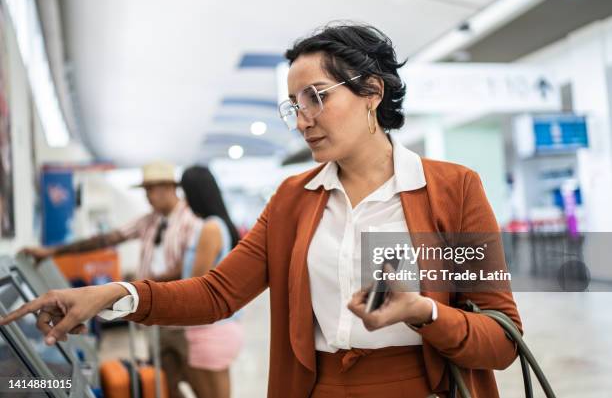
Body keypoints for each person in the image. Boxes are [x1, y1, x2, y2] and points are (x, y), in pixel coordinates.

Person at [1, 23, 522, 398]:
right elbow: (217, 293)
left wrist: (424, 311)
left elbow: (500, 340)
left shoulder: (451, 190)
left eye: (316, 97)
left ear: (372, 93)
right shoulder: (296, 199)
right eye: (294, 105)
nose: (302, 120)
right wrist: (118, 294)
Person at [20, 161, 203, 398]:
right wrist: (53, 252)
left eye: (151, 190)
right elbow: (105, 240)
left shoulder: (194, 223)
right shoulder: (149, 221)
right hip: (157, 318)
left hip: (187, 323)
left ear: (168, 188)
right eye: (146, 190)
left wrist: (138, 286)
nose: (148, 197)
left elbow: (191, 270)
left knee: (200, 382)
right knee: (166, 382)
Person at [180, 165, 243, 398]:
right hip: (220, 326)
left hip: (210, 330)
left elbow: (196, 283)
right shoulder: (224, 225)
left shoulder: (210, 228)